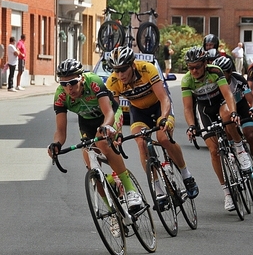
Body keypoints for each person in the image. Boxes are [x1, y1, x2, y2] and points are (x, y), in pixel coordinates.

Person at [47, 58, 142, 211]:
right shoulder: (60, 96)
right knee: (91, 166)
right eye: (64, 84)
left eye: (72, 82)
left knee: (102, 142)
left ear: (81, 78)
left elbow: (108, 112)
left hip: (109, 115)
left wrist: (105, 126)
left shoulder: (93, 81)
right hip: (87, 122)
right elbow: (60, 130)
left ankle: (131, 191)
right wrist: (56, 144)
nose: (69, 88)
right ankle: (112, 213)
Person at [106, 46, 199, 199]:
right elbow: (115, 112)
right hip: (138, 112)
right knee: (141, 143)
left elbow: (164, 98)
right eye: (117, 70)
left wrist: (163, 117)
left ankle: (186, 175)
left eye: (123, 69)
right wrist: (117, 132)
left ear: (132, 65)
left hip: (159, 107)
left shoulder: (147, 69)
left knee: (163, 138)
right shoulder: (114, 81)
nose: (120, 74)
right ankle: (159, 191)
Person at [181, 46, 251, 211]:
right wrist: (192, 126)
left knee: (227, 115)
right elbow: (188, 108)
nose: (194, 70)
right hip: (205, 111)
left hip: (220, 103)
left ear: (205, 63)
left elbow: (228, 95)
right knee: (214, 151)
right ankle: (227, 193)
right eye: (191, 67)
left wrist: (234, 112)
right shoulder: (187, 80)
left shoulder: (215, 71)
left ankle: (240, 149)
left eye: (197, 66)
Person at [212, 56, 253, 190]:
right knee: (226, 133)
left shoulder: (238, 79)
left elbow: (251, 99)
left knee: (249, 135)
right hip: (224, 111)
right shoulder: (213, 82)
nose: (219, 76)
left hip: (241, 108)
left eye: (223, 73)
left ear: (230, 72)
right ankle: (234, 159)